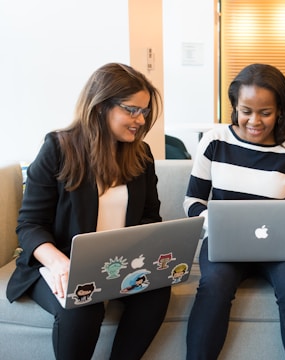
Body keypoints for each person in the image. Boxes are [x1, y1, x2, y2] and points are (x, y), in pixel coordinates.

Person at [6, 63, 171, 360]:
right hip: (59, 266)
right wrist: (59, 264)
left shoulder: (141, 154)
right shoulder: (57, 148)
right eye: (132, 110)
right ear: (100, 106)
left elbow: (149, 218)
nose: (140, 119)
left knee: (156, 293)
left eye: (145, 111)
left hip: (119, 265)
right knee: (85, 301)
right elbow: (30, 225)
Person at [183, 63, 285, 360]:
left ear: (281, 110)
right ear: (235, 107)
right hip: (225, 245)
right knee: (213, 286)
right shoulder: (215, 141)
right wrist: (214, 223)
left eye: (265, 113)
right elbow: (193, 201)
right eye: (246, 111)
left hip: (281, 248)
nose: (254, 121)